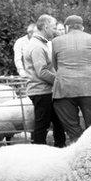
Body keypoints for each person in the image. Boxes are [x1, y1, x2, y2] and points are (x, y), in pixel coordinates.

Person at [51, 15, 91, 143]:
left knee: (72, 128)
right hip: (89, 87)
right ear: (82, 27)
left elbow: (55, 65)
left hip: (64, 89)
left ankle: (77, 145)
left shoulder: (56, 41)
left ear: (67, 27)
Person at [21, 14, 66, 147]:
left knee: (57, 121)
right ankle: (38, 152)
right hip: (41, 91)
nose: (55, 31)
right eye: (53, 28)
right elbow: (42, 72)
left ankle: (60, 148)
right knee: (42, 124)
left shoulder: (40, 44)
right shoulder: (37, 47)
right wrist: (59, 81)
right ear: (45, 27)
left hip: (45, 91)